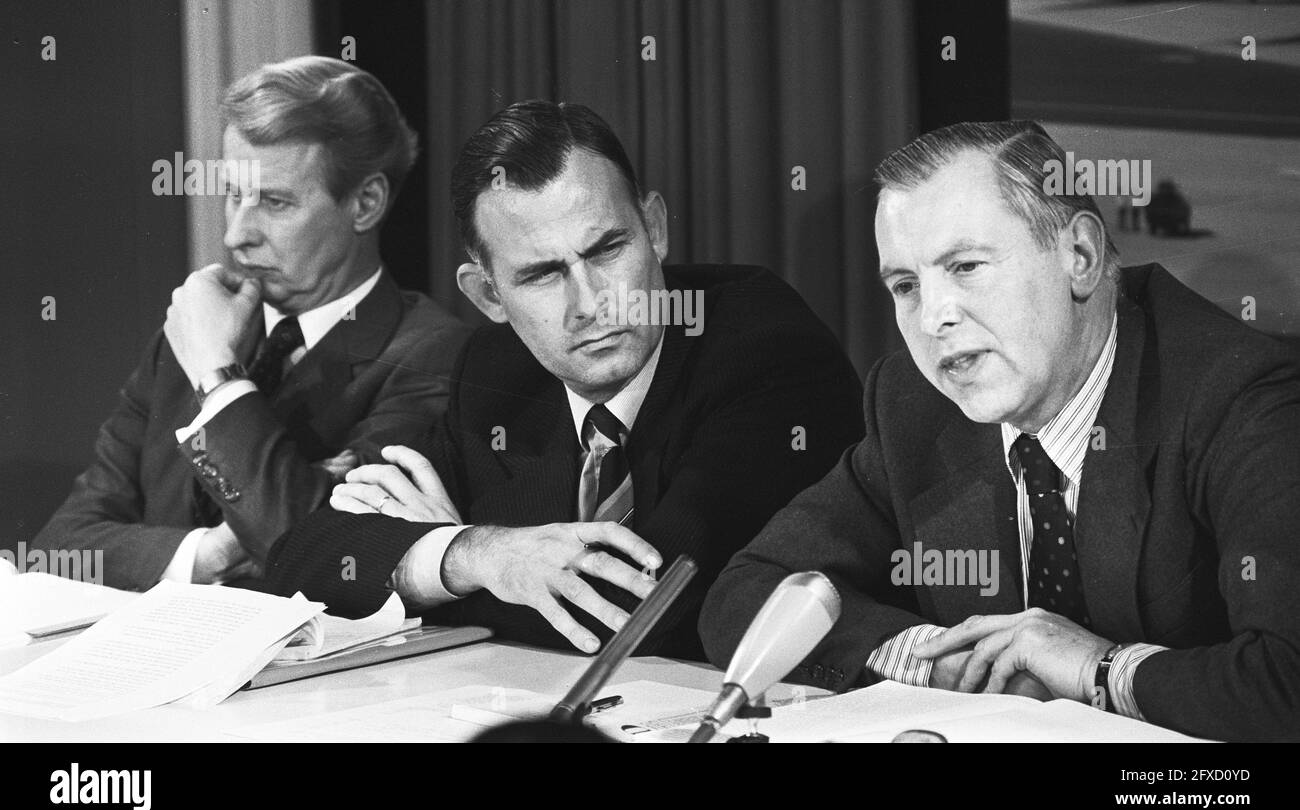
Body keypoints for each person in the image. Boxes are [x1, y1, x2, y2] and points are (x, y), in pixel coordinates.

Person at [699, 120, 1300, 742]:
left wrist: (1095, 669)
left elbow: (1289, 682)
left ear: (1080, 257)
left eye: (965, 266)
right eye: (906, 285)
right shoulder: (913, 402)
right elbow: (749, 593)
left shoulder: (1239, 398)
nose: (933, 318)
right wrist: (939, 656)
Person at [264, 100, 864, 660]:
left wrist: (456, 549)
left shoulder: (764, 348)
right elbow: (300, 563)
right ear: (488, 294)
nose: (591, 303)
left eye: (606, 251)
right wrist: (477, 553)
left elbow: (640, 615)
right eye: (544, 274)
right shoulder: (497, 368)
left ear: (654, 229)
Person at [34, 56, 471, 591]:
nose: (237, 235)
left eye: (274, 201)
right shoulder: (188, 337)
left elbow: (334, 554)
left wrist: (219, 380)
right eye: (233, 195)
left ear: (366, 203)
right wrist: (208, 554)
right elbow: (58, 547)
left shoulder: (433, 354)